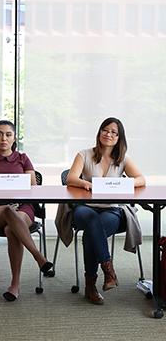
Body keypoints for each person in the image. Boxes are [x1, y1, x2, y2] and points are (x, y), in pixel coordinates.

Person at [56, 117, 145, 305]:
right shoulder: (84, 154)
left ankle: (90, 286)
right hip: (84, 208)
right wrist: (85, 183)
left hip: (112, 210)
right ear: (99, 133)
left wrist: (123, 183)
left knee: (91, 233)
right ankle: (108, 270)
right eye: (105, 130)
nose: (109, 134)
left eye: (114, 132)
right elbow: (71, 178)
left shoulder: (122, 159)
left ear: (119, 138)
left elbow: (141, 180)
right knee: (90, 221)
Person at [0, 120, 53, 301]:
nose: (3, 138)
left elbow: (33, 188)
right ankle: (39, 257)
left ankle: (15, 284)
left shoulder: (23, 158)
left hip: (23, 207)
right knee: (8, 211)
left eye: (8, 134)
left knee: (11, 229)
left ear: (14, 137)